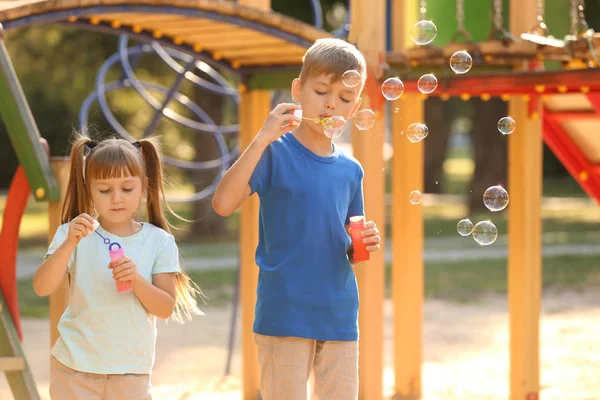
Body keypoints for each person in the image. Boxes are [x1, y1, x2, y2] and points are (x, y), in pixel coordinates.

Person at [212, 38, 382, 400]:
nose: (332, 103)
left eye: (346, 98)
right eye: (321, 91)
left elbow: (352, 250)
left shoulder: (352, 170)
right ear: (298, 90)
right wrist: (262, 138)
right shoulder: (274, 153)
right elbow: (223, 203)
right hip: (284, 316)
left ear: (355, 109)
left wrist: (363, 245)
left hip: (338, 318)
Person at [34, 134, 203, 400]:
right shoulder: (72, 234)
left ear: (144, 187)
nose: (116, 199)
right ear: (89, 188)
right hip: (73, 370)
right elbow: (42, 287)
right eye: (104, 190)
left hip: (131, 373)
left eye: (126, 189)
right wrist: (68, 245)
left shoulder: (158, 241)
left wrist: (136, 279)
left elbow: (165, 307)